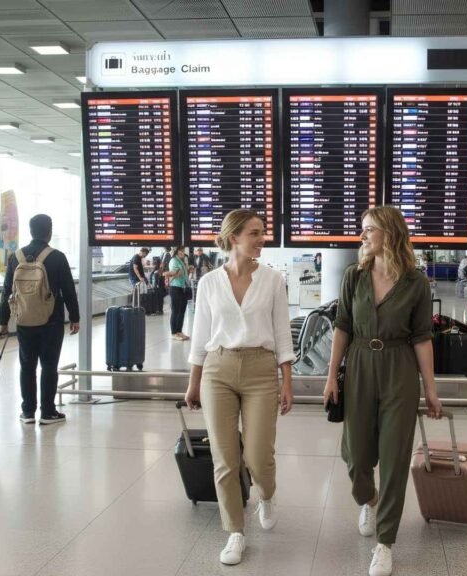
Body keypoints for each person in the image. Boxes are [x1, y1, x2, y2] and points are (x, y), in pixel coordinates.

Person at [322, 205, 444, 576]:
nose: (362, 236)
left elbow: (422, 338)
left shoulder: (415, 283)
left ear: (389, 234)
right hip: (358, 363)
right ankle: (367, 499)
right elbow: (342, 326)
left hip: (399, 368)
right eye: (363, 229)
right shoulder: (354, 276)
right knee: (356, 457)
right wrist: (331, 375)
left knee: (393, 459)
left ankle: (385, 542)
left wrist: (431, 389)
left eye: (369, 229)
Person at [184, 209, 295, 566]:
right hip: (218, 369)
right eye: (255, 233)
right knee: (225, 458)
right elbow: (200, 336)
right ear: (234, 238)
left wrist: (287, 381)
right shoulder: (209, 283)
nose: (262, 239)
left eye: (262, 233)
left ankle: (266, 493)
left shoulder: (273, 280)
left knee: (258, 456)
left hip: (261, 369)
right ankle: (235, 532)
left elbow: (282, 334)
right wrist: (194, 382)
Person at [0, 214, 80, 425]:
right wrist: (75, 317)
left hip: (24, 321)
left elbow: (7, 291)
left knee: (27, 366)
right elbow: (69, 290)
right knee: (49, 366)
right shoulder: (57, 257)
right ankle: (48, 412)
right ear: (49, 232)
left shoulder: (16, 257)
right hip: (51, 321)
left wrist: (2, 321)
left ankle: (27, 412)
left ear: (31, 230)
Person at [164, 246, 190, 341]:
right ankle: (173, 332)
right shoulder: (174, 260)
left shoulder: (181, 261)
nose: (183, 253)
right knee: (175, 311)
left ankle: (179, 331)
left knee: (182, 311)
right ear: (177, 252)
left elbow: (182, 273)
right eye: (181, 251)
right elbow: (173, 272)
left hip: (183, 288)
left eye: (183, 251)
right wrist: (174, 273)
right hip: (175, 288)